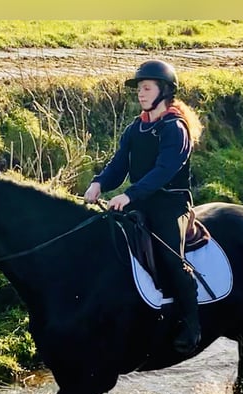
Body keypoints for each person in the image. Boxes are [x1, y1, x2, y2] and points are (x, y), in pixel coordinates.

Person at [84, 59, 204, 355]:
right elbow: (118, 165)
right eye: (139, 89)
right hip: (138, 200)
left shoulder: (175, 129)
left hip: (170, 205)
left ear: (164, 91)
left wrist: (130, 195)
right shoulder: (135, 128)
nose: (140, 93)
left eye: (146, 88)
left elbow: (164, 170)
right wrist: (99, 183)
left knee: (169, 255)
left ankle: (192, 324)